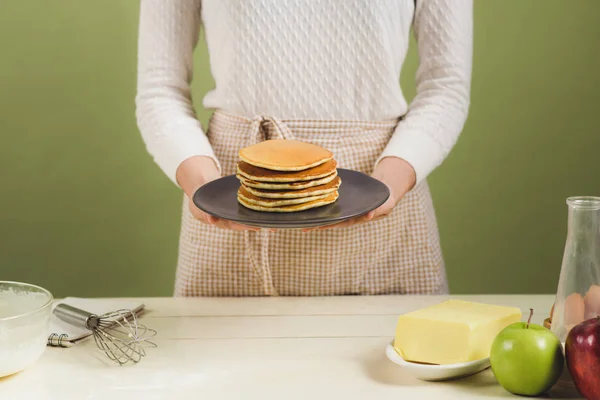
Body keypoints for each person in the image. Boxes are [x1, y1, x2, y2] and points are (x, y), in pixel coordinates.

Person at [135, 0, 473, 297]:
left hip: (385, 206)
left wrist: (389, 183)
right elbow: (160, 89)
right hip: (235, 195)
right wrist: (203, 187)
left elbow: (445, 86)